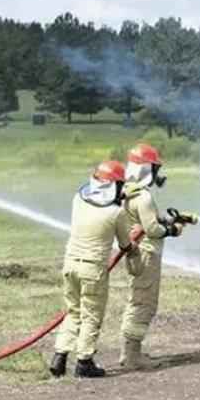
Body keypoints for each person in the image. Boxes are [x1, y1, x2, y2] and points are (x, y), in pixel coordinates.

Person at [50, 160, 135, 379]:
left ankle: (59, 356)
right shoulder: (116, 213)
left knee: (73, 311)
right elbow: (125, 244)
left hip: (70, 264)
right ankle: (84, 362)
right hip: (92, 270)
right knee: (91, 315)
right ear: (114, 186)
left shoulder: (78, 199)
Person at [119, 143, 195, 370]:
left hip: (137, 255)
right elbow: (151, 229)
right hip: (146, 256)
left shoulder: (127, 192)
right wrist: (173, 230)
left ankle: (131, 352)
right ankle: (132, 356)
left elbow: (145, 221)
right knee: (144, 303)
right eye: (154, 169)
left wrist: (168, 219)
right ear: (146, 170)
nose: (156, 174)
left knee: (138, 301)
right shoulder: (143, 197)